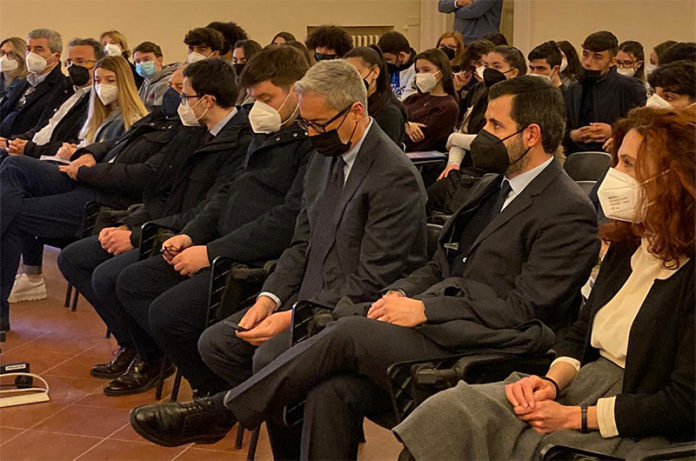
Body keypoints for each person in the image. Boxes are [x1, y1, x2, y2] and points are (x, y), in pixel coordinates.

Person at [128, 76, 600, 461]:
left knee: (349, 331)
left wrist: (427, 309)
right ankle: (234, 408)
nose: (482, 136)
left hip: (492, 342)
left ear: (531, 135)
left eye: (495, 125)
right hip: (440, 323)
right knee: (331, 389)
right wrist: (400, 295)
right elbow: (439, 264)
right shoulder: (491, 187)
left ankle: (224, 411)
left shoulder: (566, 208)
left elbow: (524, 307)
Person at [393, 106, 695, 460]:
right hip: (580, 386)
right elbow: (580, 333)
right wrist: (551, 381)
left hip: (634, 419)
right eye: (617, 161)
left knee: (532, 449)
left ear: (675, 177)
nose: (614, 174)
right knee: (450, 411)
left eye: (628, 164)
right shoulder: (630, 242)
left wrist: (577, 416)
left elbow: (684, 402)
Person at [106, 45, 314, 397]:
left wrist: (210, 252)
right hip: (219, 244)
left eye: (266, 98)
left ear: (296, 90)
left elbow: (285, 220)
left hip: (253, 258)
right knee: (132, 282)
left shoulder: (309, 145)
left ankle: (214, 393)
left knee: (168, 314)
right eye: (253, 99)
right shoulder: (267, 131)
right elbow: (229, 191)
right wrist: (190, 235)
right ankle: (174, 367)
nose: (258, 108)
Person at [58, 58, 253, 395]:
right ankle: (133, 344)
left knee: (113, 277)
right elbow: (161, 190)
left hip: (191, 236)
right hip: (162, 223)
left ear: (207, 100)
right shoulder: (192, 130)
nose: (178, 101)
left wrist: (139, 235)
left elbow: (207, 210)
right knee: (73, 258)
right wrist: (133, 223)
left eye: (184, 95)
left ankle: (153, 358)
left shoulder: (239, 141)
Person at [0, 55, 148, 332]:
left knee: (13, 189)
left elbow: (119, 167)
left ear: (126, 84)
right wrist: (76, 152)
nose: (102, 86)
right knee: (12, 170)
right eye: (98, 80)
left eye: (110, 80)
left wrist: (83, 158)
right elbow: (87, 147)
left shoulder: (135, 120)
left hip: (95, 189)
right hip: (73, 174)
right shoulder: (97, 114)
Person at [5, 37, 103, 304]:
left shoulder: (96, 98)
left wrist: (30, 149)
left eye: (81, 61)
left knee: (13, 171)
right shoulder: (66, 90)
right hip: (39, 154)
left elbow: (74, 143)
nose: (73, 68)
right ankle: (30, 274)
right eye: (70, 62)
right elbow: (42, 127)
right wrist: (18, 142)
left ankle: (30, 275)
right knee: (11, 181)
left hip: (64, 167)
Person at [564, 31, 646, 154]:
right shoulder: (574, 88)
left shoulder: (630, 87)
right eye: (585, 54)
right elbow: (561, 128)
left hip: (615, 155)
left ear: (612, 61)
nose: (588, 62)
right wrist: (573, 135)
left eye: (597, 57)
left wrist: (614, 131)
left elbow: (643, 126)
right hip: (576, 155)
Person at [0, 29, 71, 146]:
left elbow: (42, 128)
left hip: (21, 146)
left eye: (38, 49)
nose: (31, 54)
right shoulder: (22, 83)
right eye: (28, 49)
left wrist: (9, 142)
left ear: (56, 56)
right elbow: (4, 111)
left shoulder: (62, 88)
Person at [344, 46, 408, 145]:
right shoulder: (348, 104)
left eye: (356, 73)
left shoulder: (389, 113)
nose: (351, 79)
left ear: (375, 72)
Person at [403, 48, 459, 152]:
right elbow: (395, 118)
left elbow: (419, 138)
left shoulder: (447, 106)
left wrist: (403, 126)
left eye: (426, 70)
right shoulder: (414, 98)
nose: (421, 74)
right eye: (418, 71)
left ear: (441, 72)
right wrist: (406, 125)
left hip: (418, 155)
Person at [132, 41, 177, 110]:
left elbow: (158, 112)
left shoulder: (167, 82)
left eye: (146, 59)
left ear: (159, 60)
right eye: (138, 61)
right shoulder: (146, 81)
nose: (141, 64)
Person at [437, 0, 503, 44]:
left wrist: (455, 10)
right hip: (460, 40)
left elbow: (473, 11)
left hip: (483, 41)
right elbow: (442, 6)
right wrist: (458, 2)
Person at [378, 31, 417, 100]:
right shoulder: (391, 67)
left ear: (402, 56)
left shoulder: (416, 70)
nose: (386, 63)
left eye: (388, 59)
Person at [0, 37, 28, 103]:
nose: (4, 58)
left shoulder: (27, 84)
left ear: (22, 57)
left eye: (11, 54)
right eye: (2, 52)